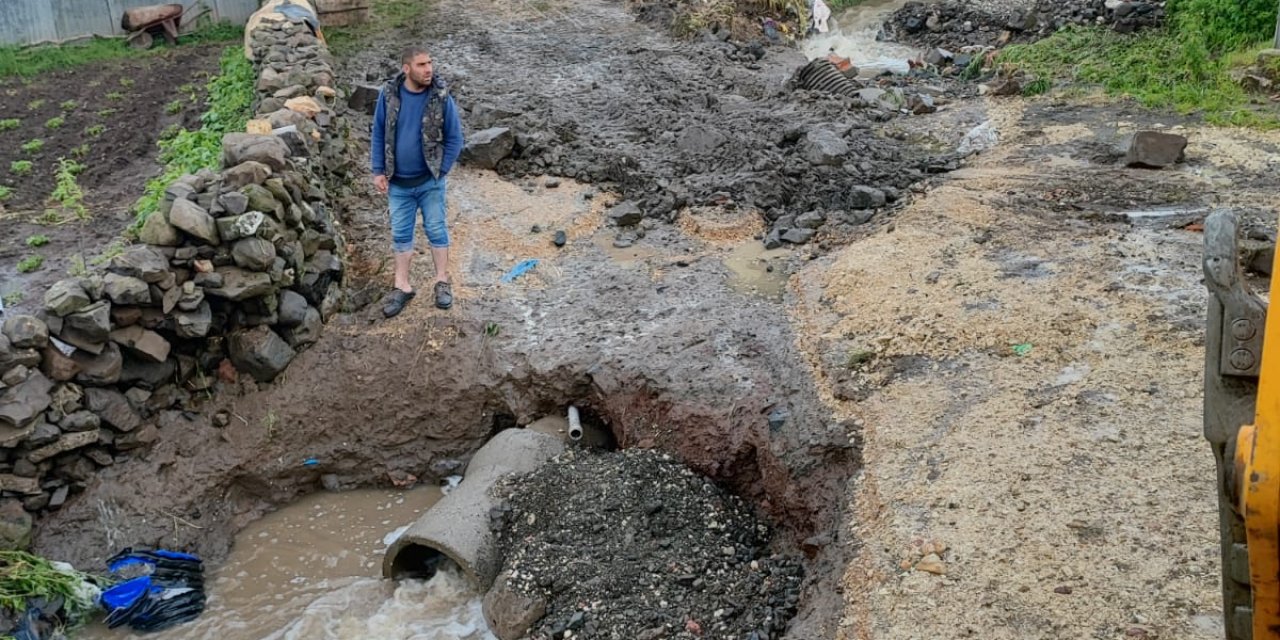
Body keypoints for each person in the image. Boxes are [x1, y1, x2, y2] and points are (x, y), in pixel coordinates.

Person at [371, 45, 464, 317]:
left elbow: (455, 138)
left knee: (436, 228)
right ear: (406, 68)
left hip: (429, 182)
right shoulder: (388, 95)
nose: (429, 69)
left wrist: (441, 170)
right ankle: (402, 286)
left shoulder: (440, 96)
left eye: (430, 63)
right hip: (398, 183)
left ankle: (442, 281)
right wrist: (378, 170)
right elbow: (378, 132)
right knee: (401, 234)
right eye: (422, 64)